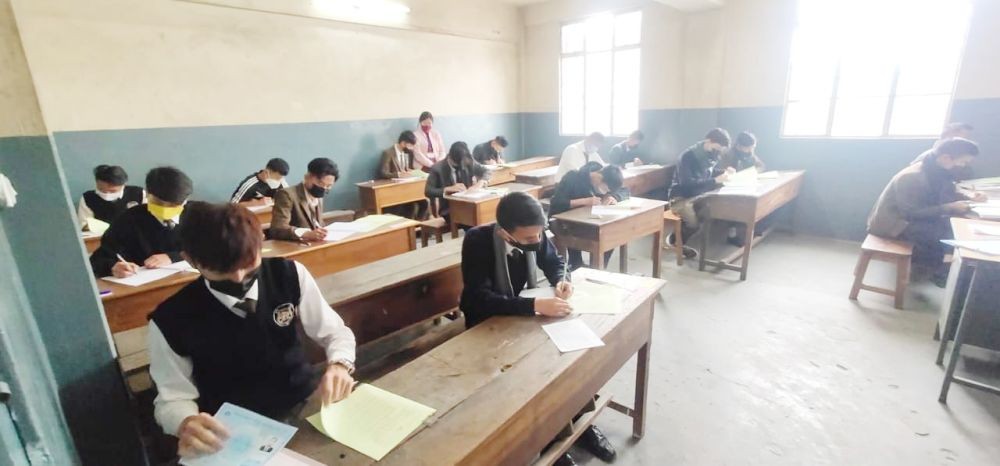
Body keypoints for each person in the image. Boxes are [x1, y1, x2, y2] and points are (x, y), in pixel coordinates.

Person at [147, 202, 356, 459]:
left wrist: (340, 364)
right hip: (234, 429)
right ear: (190, 260)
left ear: (261, 245)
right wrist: (185, 421)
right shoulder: (171, 318)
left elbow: (335, 332)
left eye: (249, 265)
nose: (238, 278)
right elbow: (172, 396)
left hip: (305, 401)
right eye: (222, 271)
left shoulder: (288, 274)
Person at [458, 192, 615, 466]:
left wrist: (561, 280)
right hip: (488, 325)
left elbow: (555, 262)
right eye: (529, 238)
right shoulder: (478, 241)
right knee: (534, 375)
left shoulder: (535, 235)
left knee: (568, 360)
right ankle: (551, 441)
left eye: (539, 235)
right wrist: (534, 307)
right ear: (506, 233)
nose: (536, 242)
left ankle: (580, 420)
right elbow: (476, 300)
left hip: (523, 314)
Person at [868, 138, 983, 286]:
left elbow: (946, 192)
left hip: (910, 218)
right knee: (942, 235)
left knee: (952, 229)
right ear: (946, 157)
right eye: (962, 162)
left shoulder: (937, 170)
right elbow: (911, 213)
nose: (963, 166)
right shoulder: (912, 177)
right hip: (894, 224)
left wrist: (969, 197)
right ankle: (937, 273)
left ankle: (936, 271)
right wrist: (949, 207)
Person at [89, 167, 192, 278]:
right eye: (159, 203)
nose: (165, 208)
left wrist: (173, 257)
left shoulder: (199, 215)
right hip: (144, 286)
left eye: (173, 205)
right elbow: (97, 260)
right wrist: (112, 267)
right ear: (147, 193)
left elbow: (211, 251)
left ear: (185, 199)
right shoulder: (129, 219)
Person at [667, 128, 734, 259]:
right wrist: (715, 180)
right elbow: (687, 184)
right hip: (680, 197)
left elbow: (707, 174)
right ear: (709, 141)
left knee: (708, 214)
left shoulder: (710, 156)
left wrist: (723, 172)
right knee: (693, 223)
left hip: (698, 195)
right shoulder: (688, 157)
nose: (718, 152)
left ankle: (676, 240)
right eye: (717, 148)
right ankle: (675, 242)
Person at [550, 162, 628, 269]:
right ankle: (576, 263)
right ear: (599, 178)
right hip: (566, 222)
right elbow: (556, 203)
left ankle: (600, 267)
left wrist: (614, 197)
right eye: (606, 189)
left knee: (611, 233)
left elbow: (625, 191)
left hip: (589, 220)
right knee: (598, 236)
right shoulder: (573, 177)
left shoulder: (606, 175)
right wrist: (584, 201)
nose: (605, 191)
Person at [270, 157, 339, 242]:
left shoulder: (318, 196)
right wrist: (305, 233)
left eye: (328, 186)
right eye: (320, 183)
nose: (324, 188)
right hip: (294, 245)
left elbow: (317, 223)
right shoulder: (287, 194)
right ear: (307, 177)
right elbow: (278, 228)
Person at [718, 131, 767, 246]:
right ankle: (734, 233)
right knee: (739, 204)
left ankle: (753, 230)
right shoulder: (728, 154)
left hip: (746, 184)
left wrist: (753, 172)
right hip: (729, 188)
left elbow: (761, 166)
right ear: (739, 146)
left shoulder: (750, 154)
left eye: (752, 147)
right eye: (748, 148)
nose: (751, 150)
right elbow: (723, 172)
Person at [425, 142, 490, 223]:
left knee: (487, 212)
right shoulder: (437, 168)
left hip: (469, 203)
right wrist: (447, 189)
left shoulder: (467, 160)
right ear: (450, 157)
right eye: (458, 164)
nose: (462, 167)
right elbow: (428, 191)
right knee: (474, 218)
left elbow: (486, 171)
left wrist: (481, 182)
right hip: (449, 209)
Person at [77, 164, 145, 228]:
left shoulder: (138, 193)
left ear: (123, 185)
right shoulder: (88, 198)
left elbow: (149, 219)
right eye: (101, 189)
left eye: (112, 191)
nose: (107, 193)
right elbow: (84, 224)